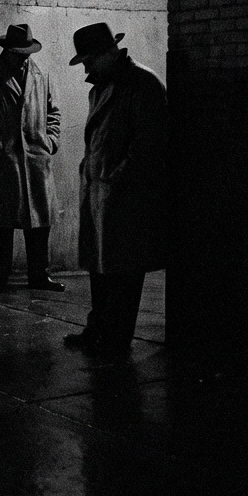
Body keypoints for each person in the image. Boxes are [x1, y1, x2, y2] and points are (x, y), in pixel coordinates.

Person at [63, 23, 167, 353]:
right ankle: (98, 330)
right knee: (100, 268)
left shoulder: (142, 83)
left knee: (123, 272)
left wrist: (118, 178)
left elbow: (149, 143)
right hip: (100, 192)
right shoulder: (102, 86)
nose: (87, 68)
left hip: (124, 196)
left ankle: (115, 338)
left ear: (110, 53)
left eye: (90, 60)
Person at [0, 23, 64, 292]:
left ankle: (39, 275)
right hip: (4, 161)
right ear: (7, 50)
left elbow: (53, 113)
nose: (24, 57)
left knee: (39, 223)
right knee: (1, 223)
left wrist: (50, 142)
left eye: (27, 52)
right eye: (19, 52)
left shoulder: (41, 74)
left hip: (36, 159)